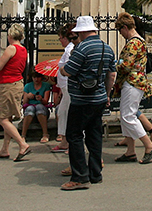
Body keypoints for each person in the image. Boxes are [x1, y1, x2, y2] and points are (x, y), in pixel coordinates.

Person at [60, 15, 117, 190]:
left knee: (74, 135)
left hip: (81, 99)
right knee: (94, 136)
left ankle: (80, 177)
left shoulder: (81, 49)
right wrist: (107, 95)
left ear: (82, 32)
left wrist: (61, 68)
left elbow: (68, 71)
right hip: (99, 98)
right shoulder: (107, 48)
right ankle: (95, 174)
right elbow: (112, 75)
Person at [114, 11, 152, 164]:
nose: (121, 34)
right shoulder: (138, 41)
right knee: (127, 114)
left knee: (128, 116)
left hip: (133, 82)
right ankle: (130, 151)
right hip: (135, 82)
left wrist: (114, 65)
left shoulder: (133, 42)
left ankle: (149, 146)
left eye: (120, 30)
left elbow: (126, 65)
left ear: (125, 27)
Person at [0, 25, 31, 161]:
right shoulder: (23, 49)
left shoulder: (11, 48)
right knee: (8, 117)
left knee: (2, 118)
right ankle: (4, 149)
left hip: (7, 84)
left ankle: (22, 144)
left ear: (10, 36)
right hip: (17, 83)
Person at [52, 23, 77, 153]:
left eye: (60, 38)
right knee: (63, 113)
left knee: (68, 114)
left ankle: (69, 142)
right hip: (65, 87)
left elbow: (69, 68)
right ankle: (65, 141)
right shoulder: (68, 49)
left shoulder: (70, 50)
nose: (60, 41)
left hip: (69, 86)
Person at [21, 69, 52, 143]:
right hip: (30, 109)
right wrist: (28, 96)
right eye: (34, 77)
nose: (36, 79)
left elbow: (46, 102)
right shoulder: (28, 86)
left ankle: (45, 134)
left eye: (38, 77)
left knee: (39, 107)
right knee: (29, 109)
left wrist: (41, 99)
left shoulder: (46, 85)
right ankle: (23, 135)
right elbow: (24, 103)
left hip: (41, 110)